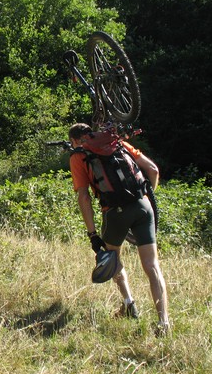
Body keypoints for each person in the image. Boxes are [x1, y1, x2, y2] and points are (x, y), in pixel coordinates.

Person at [68, 123, 170, 336]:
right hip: (144, 207)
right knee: (152, 266)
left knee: (112, 257)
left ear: (76, 140)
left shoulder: (78, 156)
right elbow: (152, 169)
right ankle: (163, 322)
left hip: (115, 212)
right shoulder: (116, 142)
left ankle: (129, 303)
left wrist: (92, 233)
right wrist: (145, 197)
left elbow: (84, 197)